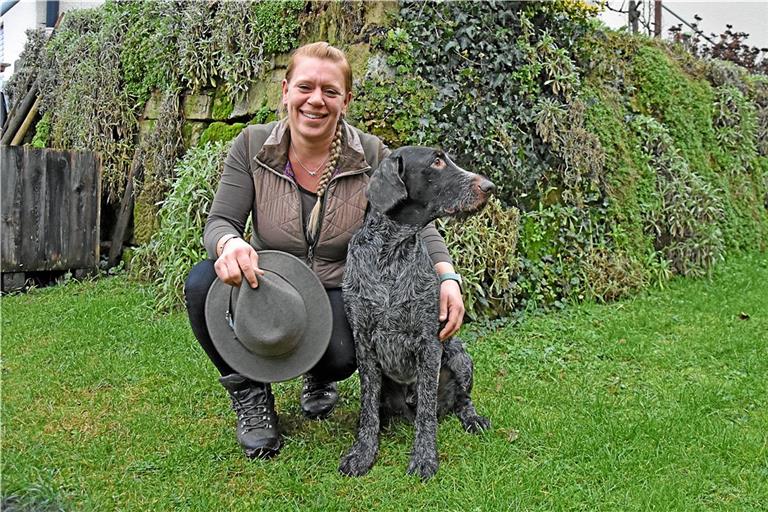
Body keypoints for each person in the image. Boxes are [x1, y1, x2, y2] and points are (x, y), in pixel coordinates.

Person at [184, 42, 466, 459]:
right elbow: (220, 221)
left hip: (336, 290)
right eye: (305, 87)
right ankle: (251, 395)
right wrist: (230, 243)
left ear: (345, 100)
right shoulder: (251, 145)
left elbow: (413, 218)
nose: (316, 100)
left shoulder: (371, 155)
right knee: (201, 283)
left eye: (330, 91)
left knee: (342, 354)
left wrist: (446, 274)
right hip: (270, 283)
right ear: (285, 91)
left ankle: (320, 374)